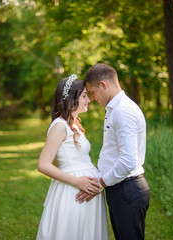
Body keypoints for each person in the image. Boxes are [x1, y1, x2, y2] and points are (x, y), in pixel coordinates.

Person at [76, 63, 150, 240]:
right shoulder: (114, 109)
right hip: (120, 188)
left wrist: (100, 183)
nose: (92, 98)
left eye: (92, 92)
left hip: (127, 189)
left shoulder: (123, 111)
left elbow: (128, 161)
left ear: (103, 85)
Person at [36, 74, 109, 240]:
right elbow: (43, 164)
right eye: (84, 96)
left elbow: (58, 156)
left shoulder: (74, 124)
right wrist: (77, 180)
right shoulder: (60, 126)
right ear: (71, 99)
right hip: (73, 189)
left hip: (85, 188)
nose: (88, 100)